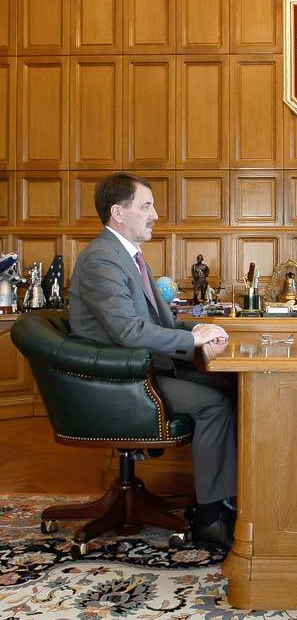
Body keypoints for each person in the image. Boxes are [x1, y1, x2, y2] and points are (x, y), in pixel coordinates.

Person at [68, 172, 237, 551]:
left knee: (233, 387)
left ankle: (227, 498)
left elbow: (160, 323)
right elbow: (128, 332)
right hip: (119, 382)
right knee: (215, 403)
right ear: (118, 212)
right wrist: (191, 340)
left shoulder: (128, 257)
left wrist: (201, 331)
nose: (155, 215)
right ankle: (211, 518)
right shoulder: (101, 259)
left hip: (142, 370)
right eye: (146, 206)